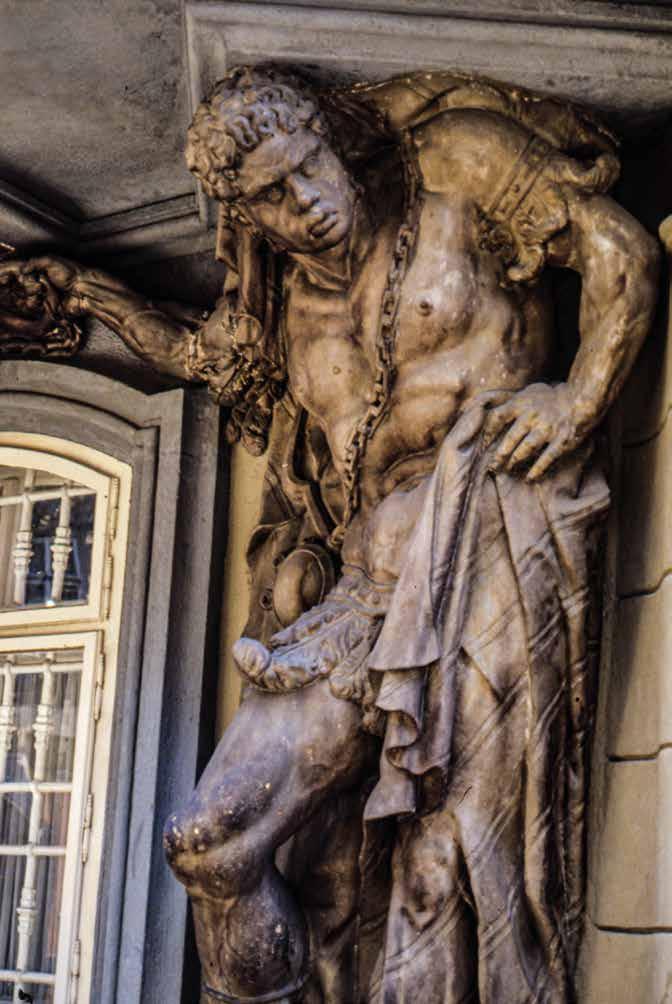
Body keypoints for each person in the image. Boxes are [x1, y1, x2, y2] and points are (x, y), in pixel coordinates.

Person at [0, 65, 659, 1003]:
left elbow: (617, 249)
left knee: (441, 875)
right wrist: (79, 293)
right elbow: (198, 356)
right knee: (209, 842)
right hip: (357, 603)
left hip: (487, 558)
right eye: (270, 195)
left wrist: (578, 400)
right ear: (245, 216)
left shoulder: (455, 163)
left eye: (306, 167)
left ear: (334, 144)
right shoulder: (282, 308)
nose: (302, 202)